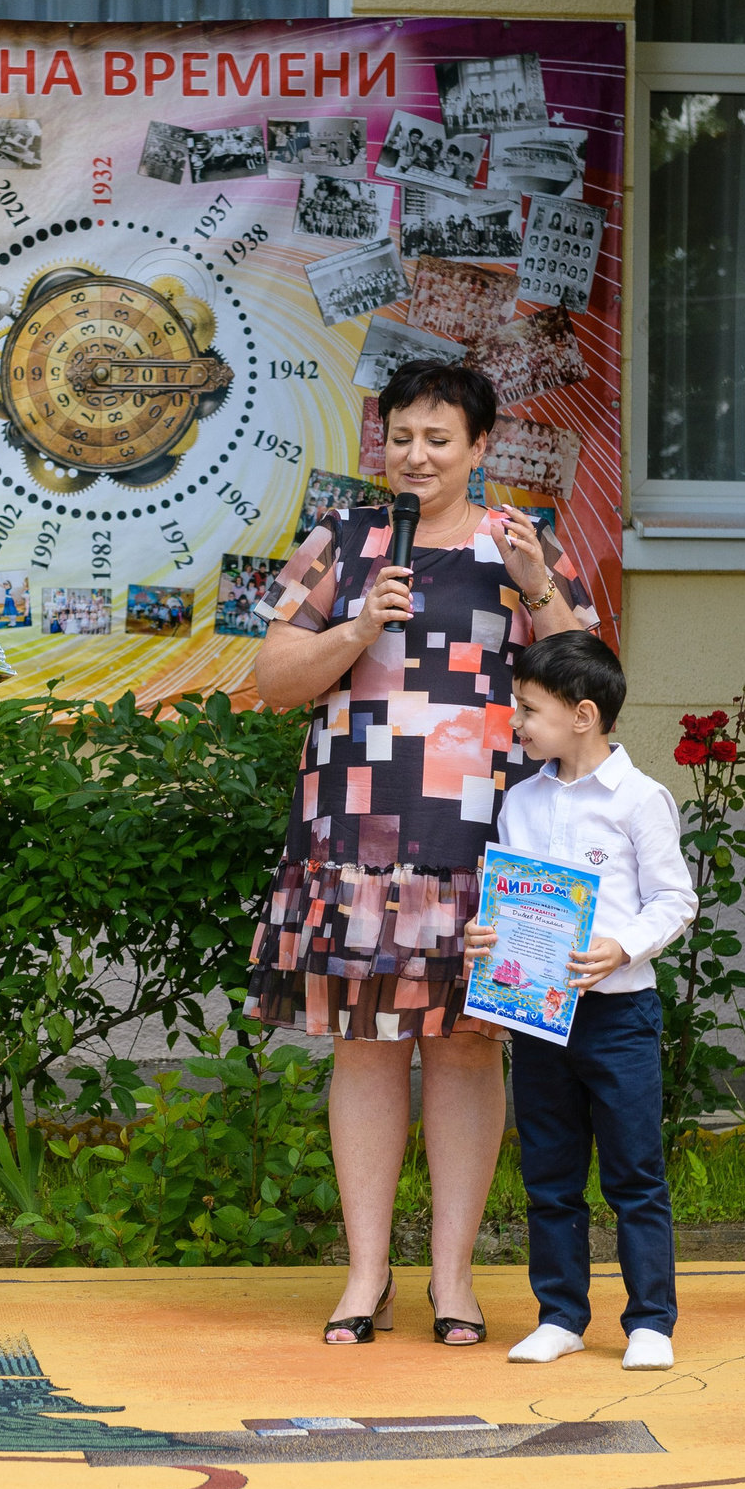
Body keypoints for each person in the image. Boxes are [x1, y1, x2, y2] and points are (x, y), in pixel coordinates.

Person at [246, 361, 591, 1347]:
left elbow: (588, 688)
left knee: (468, 1046)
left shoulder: (518, 545)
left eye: (440, 439)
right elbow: (272, 676)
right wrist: (357, 623)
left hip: (490, 831)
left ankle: (453, 1280)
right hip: (358, 830)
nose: (418, 455)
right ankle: (364, 1278)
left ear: (480, 448)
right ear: (380, 443)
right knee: (365, 1045)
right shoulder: (344, 541)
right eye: (402, 436)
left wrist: (540, 593)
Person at [464, 630, 697, 1370]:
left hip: (619, 1017)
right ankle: (561, 1312)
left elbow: (675, 899)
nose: (517, 723)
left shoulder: (640, 800)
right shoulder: (523, 803)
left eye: (529, 710)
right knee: (549, 1172)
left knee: (634, 1171)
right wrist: (485, 935)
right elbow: (508, 898)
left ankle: (650, 1320)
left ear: (584, 714)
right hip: (539, 1019)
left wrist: (622, 947)